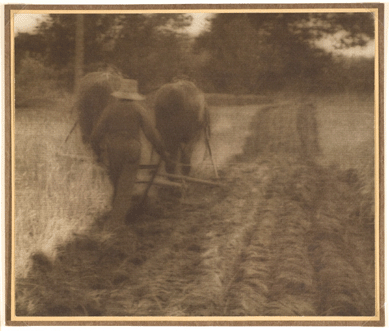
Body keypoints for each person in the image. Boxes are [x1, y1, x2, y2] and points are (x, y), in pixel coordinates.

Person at [89, 79, 169, 225]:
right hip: (131, 150)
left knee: (117, 185)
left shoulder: (110, 109)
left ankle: (115, 216)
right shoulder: (138, 109)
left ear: (119, 94)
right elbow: (151, 134)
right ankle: (116, 226)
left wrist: (98, 153)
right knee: (125, 189)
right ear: (134, 95)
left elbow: (95, 136)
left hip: (112, 150)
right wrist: (162, 152)